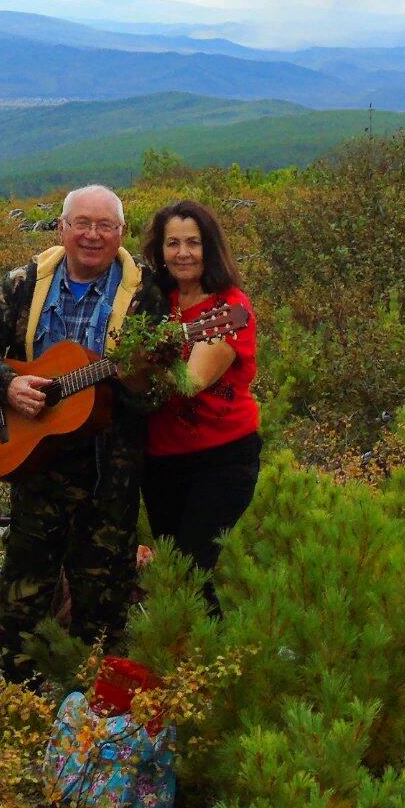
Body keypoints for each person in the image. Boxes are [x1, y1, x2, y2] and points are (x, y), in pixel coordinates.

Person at [0, 185, 168, 683]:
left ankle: (93, 700)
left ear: (121, 233)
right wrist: (5, 384)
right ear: (62, 228)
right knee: (25, 589)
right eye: (82, 224)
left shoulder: (145, 295)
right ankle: (21, 693)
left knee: (103, 594)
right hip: (37, 466)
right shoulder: (26, 283)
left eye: (105, 226)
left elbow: (155, 394)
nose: (92, 236)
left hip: (107, 472)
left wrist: (137, 380)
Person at [140, 200, 261, 607]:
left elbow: (191, 381)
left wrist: (146, 363)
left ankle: (208, 664)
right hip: (161, 460)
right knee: (175, 570)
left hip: (221, 459)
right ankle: (187, 658)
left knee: (191, 571)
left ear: (209, 247)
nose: (183, 252)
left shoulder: (230, 308)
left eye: (193, 242)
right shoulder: (154, 302)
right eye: (172, 243)